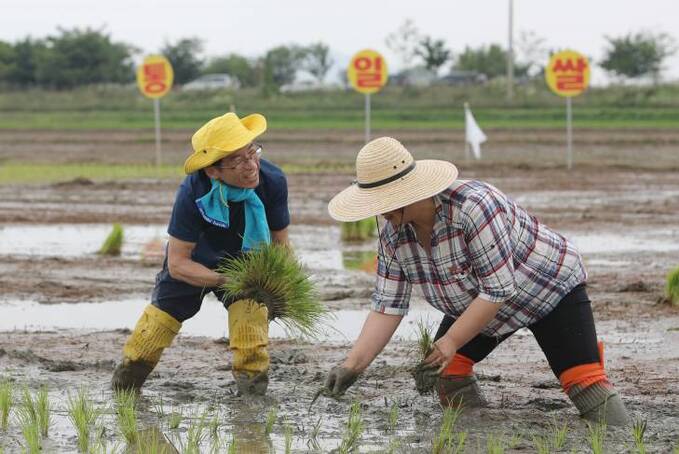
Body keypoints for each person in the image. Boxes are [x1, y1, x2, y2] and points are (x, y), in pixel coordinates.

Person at [323, 136, 629, 425]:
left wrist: (451, 341)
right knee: (445, 371)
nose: (378, 212)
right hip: (477, 305)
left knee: (583, 380)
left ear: (408, 192)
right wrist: (353, 365)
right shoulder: (393, 233)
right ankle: (475, 433)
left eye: (382, 201)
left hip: (547, 289)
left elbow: (498, 289)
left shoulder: (474, 207)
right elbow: (387, 306)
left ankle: (624, 440)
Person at [111, 112, 290, 395]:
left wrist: (281, 289)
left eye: (252, 151)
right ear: (213, 170)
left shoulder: (272, 181)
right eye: (238, 160)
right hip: (194, 262)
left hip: (247, 261)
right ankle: (124, 389)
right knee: (152, 333)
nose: (251, 164)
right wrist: (223, 280)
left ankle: (251, 402)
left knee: (250, 334)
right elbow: (178, 263)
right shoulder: (192, 193)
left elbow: (281, 246)